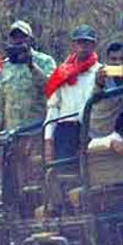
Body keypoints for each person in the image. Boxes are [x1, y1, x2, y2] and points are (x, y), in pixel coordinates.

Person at [0, 21, 52, 143]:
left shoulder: (44, 61)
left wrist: (31, 65)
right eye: (15, 37)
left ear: (30, 39)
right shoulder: (6, 66)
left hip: (36, 130)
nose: (18, 40)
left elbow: (50, 89)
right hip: (12, 133)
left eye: (22, 37)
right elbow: (1, 103)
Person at [45, 25, 100, 161]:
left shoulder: (101, 73)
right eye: (79, 42)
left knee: (94, 170)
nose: (83, 47)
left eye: (87, 42)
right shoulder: (62, 73)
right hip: (66, 130)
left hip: (92, 128)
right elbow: (53, 107)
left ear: (94, 45)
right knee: (64, 172)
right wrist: (48, 138)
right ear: (73, 45)